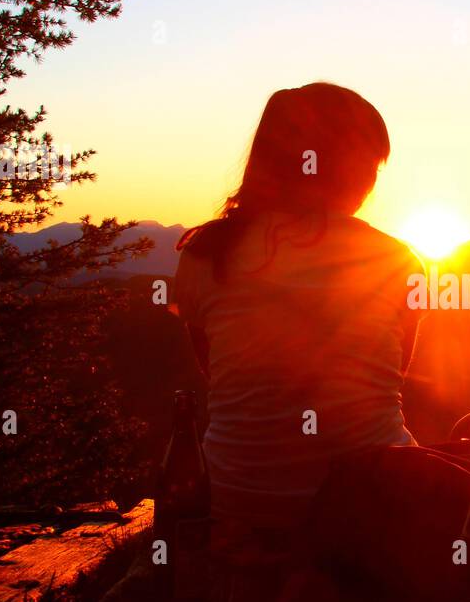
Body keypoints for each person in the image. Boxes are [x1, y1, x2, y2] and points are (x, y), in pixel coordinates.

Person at [174, 82, 424, 568]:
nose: (371, 182)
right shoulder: (395, 259)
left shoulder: (205, 256)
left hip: (237, 504)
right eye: (369, 163)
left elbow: (214, 371)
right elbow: (396, 378)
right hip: (373, 509)